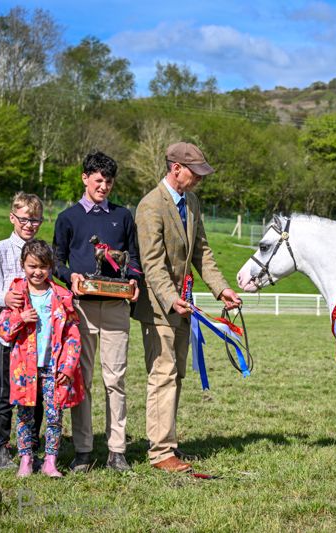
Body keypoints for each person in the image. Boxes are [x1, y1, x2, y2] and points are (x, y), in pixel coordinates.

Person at [134, 142, 242, 473]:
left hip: (185, 304)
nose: (198, 180)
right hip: (159, 306)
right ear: (175, 168)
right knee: (163, 374)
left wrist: (221, 288)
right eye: (195, 173)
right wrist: (169, 297)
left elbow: (203, 253)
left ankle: (167, 444)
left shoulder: (191, 203)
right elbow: (152, 263)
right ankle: (161, 453)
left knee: (176, 374)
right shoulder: (151, 206)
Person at [53, 151, 141, 473]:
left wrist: (133, 281)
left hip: (116, 308)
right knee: (84, 380)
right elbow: (56, 261)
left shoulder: (123, 216)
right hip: (82, 310)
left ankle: (117, 451)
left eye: (108, 181)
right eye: (98, 180)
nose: (103, 186)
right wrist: (70, 277)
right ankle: (83, 449)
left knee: (115, 379)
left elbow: (133, 258)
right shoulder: (68, 218)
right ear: (85, 178)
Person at [0, 240, 84, 478]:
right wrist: (20, 318)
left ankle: (50, 461)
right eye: (32, 266)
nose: (37, 272)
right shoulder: (16, 296)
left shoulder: (62, 296)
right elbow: (4, 331)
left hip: (54, 367)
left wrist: (68, 366)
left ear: (51, 267)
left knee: (54, 414)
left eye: (43, 267)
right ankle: (25, 459)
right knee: (25, 414)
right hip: (24, 369)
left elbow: (73, 335)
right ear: (23, 265)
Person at [0, 192, 45, 470]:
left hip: (37, 337)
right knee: (7, 392)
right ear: (12, 218)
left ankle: (30, 446)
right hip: (8, 337)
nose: (29, 225)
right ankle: (1, 447)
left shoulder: (43, 252)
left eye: (35, 220)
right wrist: (4, 299)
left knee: (37, 394)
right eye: (24, 219)